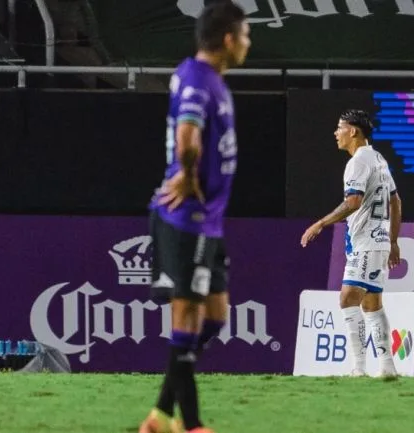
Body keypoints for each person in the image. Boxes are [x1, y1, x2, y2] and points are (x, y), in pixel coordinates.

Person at [139, 3, 251, 433]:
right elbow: (187, 135)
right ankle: (191, 425)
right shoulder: (196, 79)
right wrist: (186, 175)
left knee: (217, 316)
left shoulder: (213, 81)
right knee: (186, 317)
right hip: (185, 219)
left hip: (209, 222)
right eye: (244, 34)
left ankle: (159, 414)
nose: (247, 43)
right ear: (227, 39)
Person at [301, 109, 402, 377]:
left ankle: (358, 368)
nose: (336, 133)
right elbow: (396, 200)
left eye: (339, 127)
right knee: (372, 304)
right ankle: (388, 367)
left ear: (353, 131)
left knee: (347, 300)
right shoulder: (378, 159)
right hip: (376, 241)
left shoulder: (358, 161)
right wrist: (392, 240)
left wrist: (320, 223)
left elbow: (353, 201)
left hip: (367, 241)